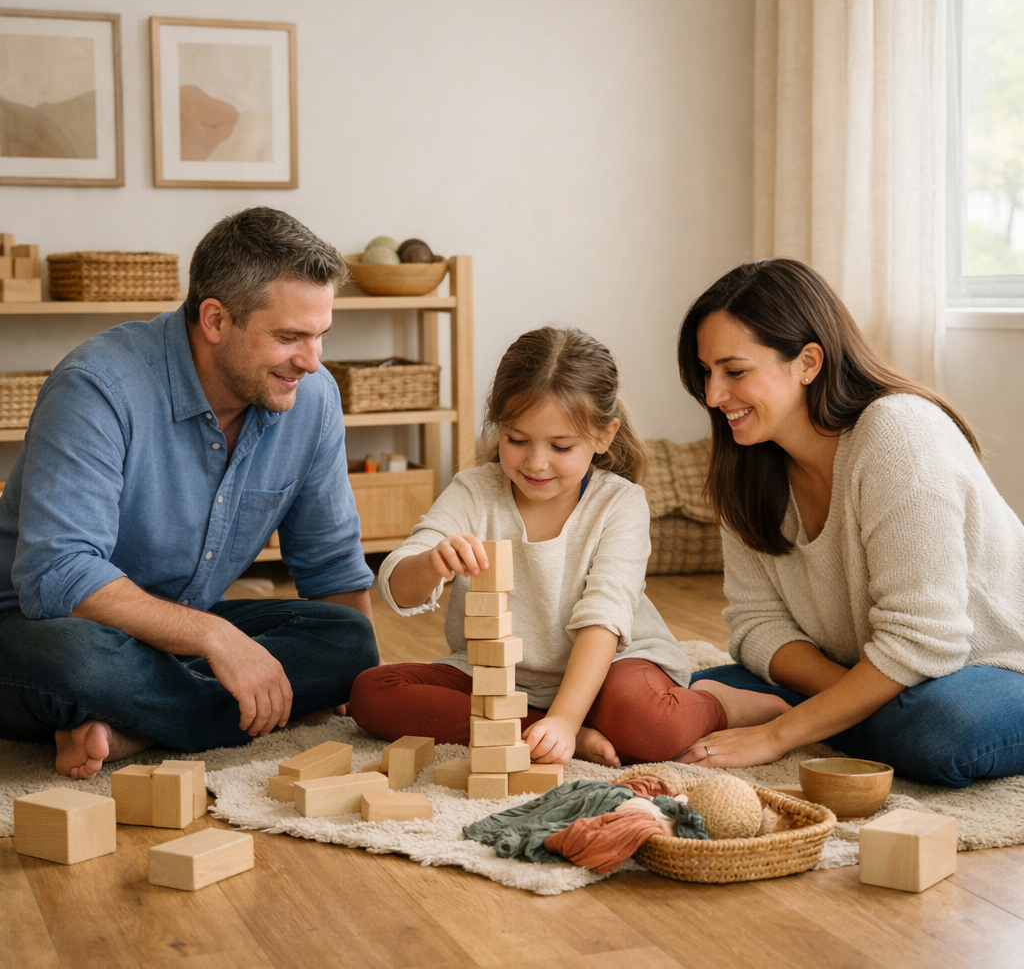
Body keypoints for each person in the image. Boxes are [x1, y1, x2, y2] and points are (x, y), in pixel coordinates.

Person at [0, 207, 379, 779]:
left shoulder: (313, 397)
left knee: (349, 640)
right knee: (76, 663)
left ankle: (138, 726)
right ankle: (183, 712)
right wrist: (216, 639)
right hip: (41, 628)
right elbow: (58, 574)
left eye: (321, 335)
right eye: (289, 337)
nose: (311, 362)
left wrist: (358, 682)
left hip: (178, 631)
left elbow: (332, 567)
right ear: (215, 319)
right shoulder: (98, 388)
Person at [348, 327, 788, 766]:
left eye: (560, 446)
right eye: (516, 440)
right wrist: (429, 564)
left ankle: (718, 702)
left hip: (613, 665)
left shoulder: (619, 503)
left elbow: (604, 620)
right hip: (499, 678)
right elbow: (398, 586)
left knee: (647, 727)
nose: (536, 462)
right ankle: (549, 732)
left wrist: (563, 717)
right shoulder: (474, 490)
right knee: (372, 694)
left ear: (603, 436)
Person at [674, 258, 1024, 787]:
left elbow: (925, 642)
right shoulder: (745, 462)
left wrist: (779, 732)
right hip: (888, 675)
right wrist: (848, 695)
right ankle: (856, 717)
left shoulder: (898, 433)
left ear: (808, 361)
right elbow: (755, 626)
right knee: (682, 694)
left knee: (940, 732)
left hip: (991, 668)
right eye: (706, 372)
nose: (713, 395)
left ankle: (840, 718)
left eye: (735, 371)